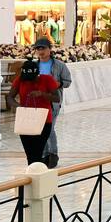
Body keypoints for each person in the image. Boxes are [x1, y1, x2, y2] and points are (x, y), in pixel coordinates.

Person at [9, 57, 60, 166]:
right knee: (30, 154)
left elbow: (57, 98)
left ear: (37, 73)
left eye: (31, 78)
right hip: (26, 120)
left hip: (44, 121)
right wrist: (18, 106)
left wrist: (42, 94)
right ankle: (33, 176)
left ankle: (35, 177)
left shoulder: (47, 79)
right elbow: (9, 97)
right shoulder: (20, 79)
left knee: (37, 153)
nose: (28, 81)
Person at [33, 38, 71, 168]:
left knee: (49, 129)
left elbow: (68, 81)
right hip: (37, 102)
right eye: (38, 49)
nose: (41, 51)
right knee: (40, 129)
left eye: (43, 48)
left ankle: (53, 154)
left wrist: (58, 83)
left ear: (50, 49)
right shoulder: (34, 65)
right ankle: (43, 155)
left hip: (53, 102)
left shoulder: (59, 65)